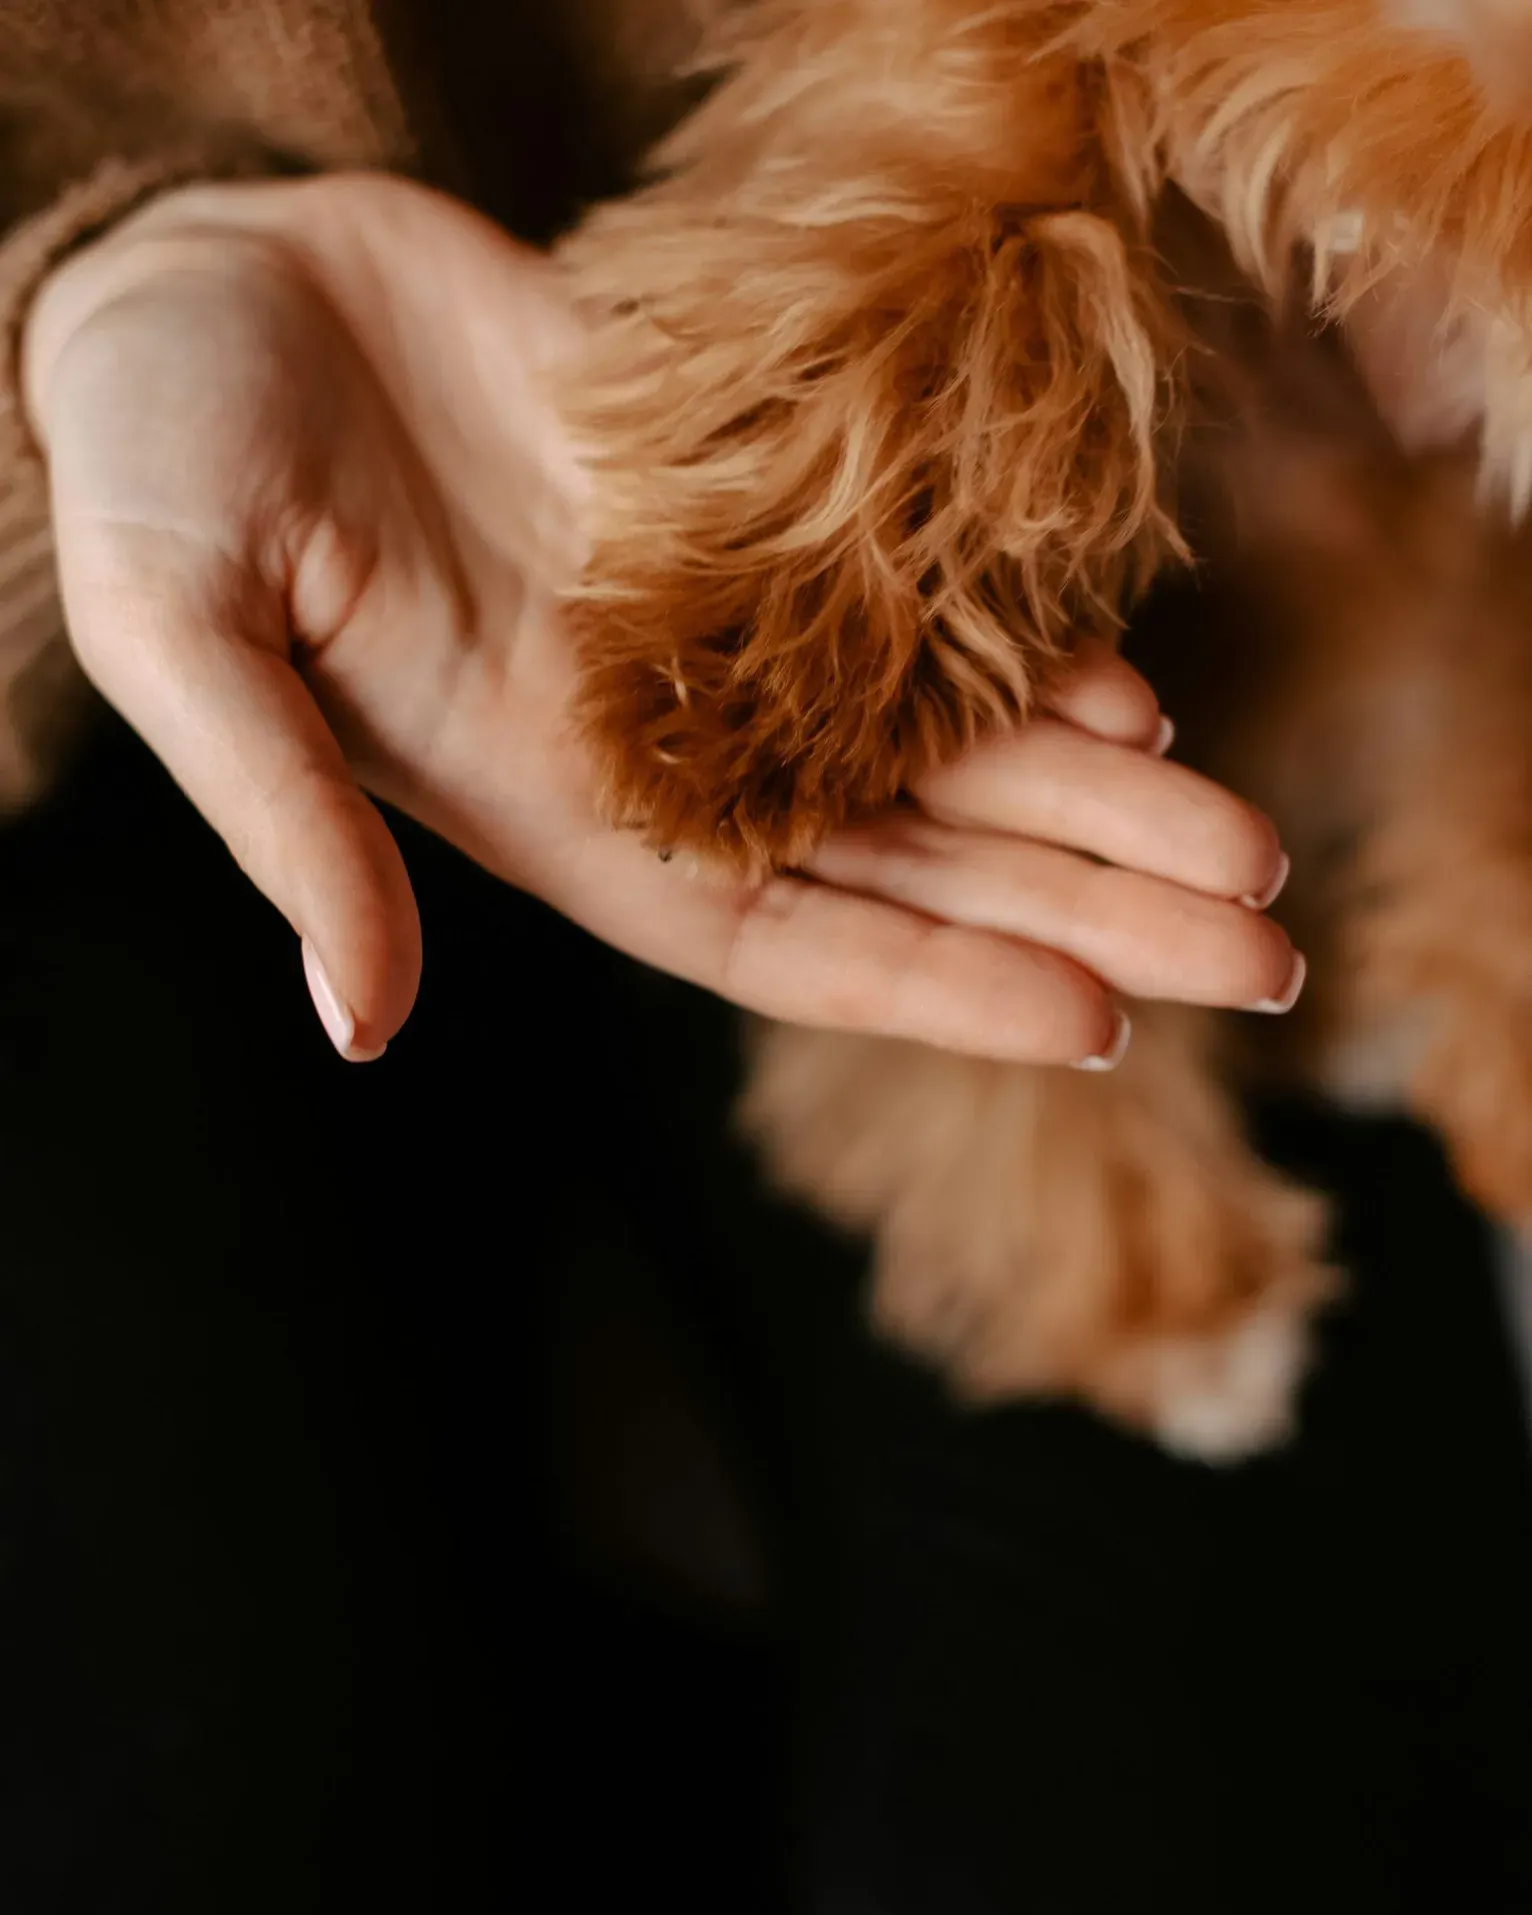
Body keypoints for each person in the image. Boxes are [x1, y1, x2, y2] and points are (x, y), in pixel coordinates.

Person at [1, 5, 1528, 1912]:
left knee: (1176, 1789)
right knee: (182, 1791)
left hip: (1132, 528)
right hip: (125, 617)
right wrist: (67, 318)